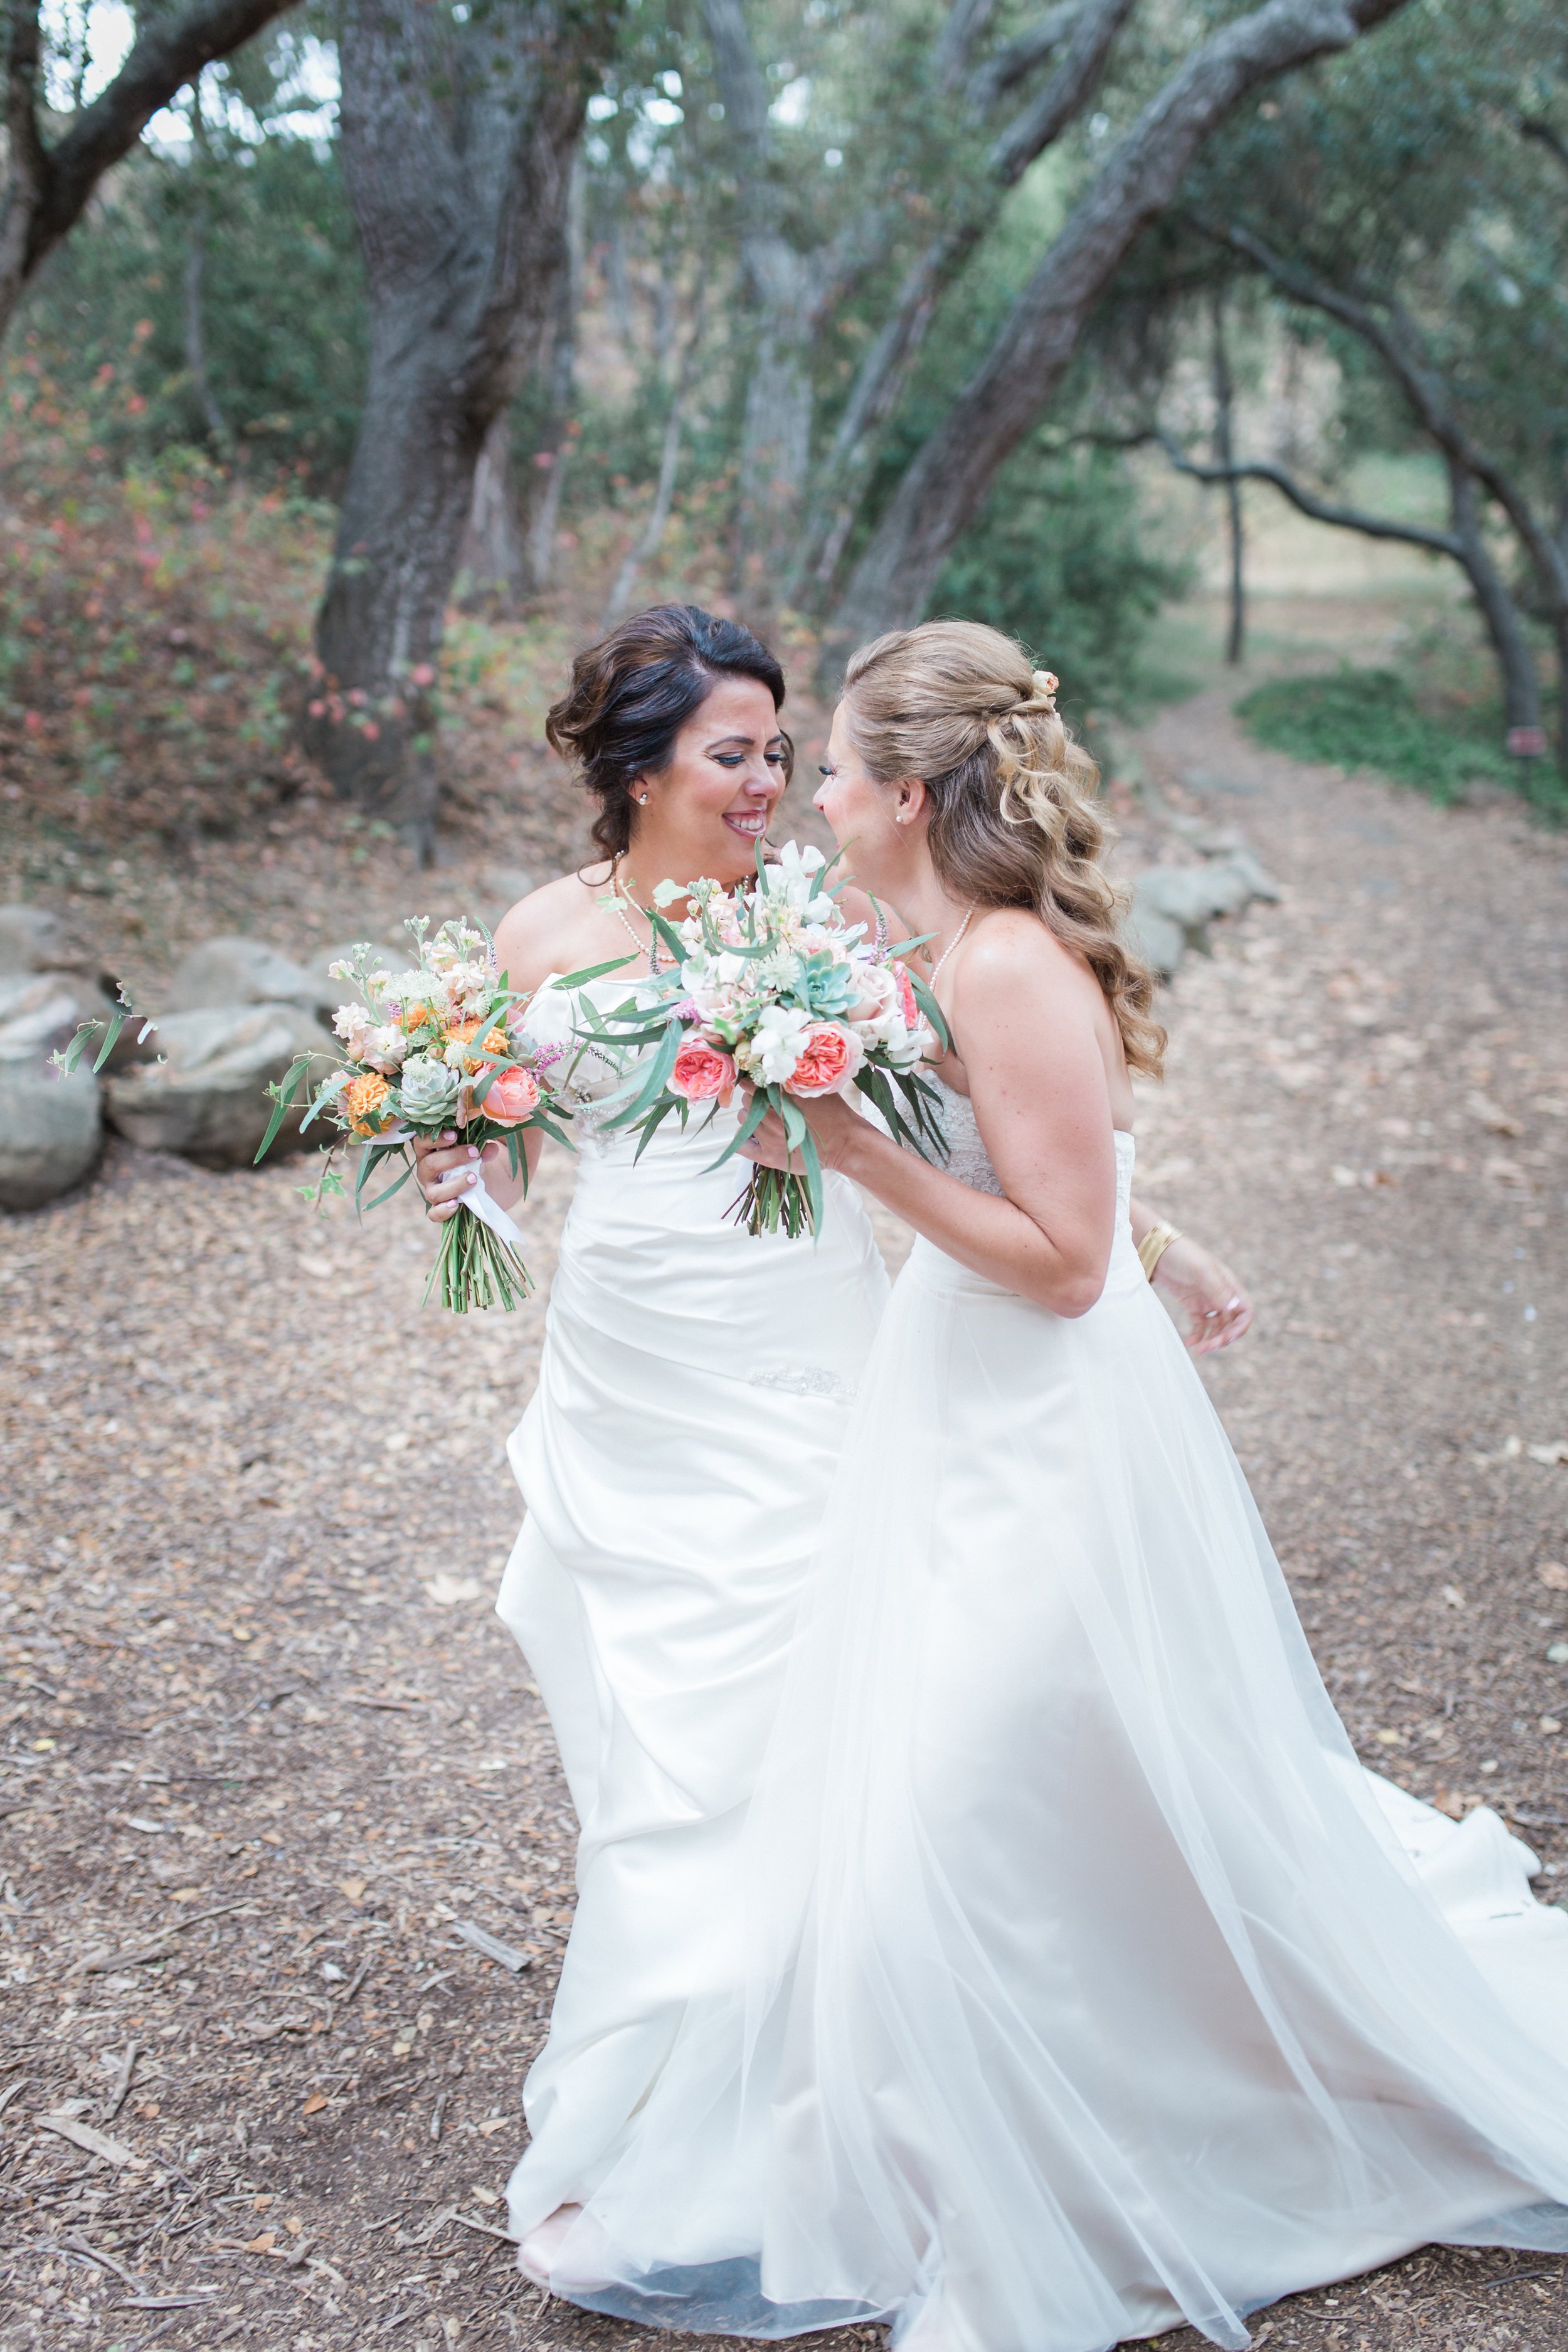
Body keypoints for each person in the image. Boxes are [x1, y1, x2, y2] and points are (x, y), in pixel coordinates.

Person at [521, 622, 1568, 2352]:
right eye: (771, 762)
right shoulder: (892, 941)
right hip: (937, 1399)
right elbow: (1017, 1151)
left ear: (908, 794)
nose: (799, 796)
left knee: (958, 1801)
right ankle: (963, 2117)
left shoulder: (998, 962)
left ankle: (1053, 2146)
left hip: (1031, 1421)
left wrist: (853, 1151)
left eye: (829, 768)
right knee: (977, 1804)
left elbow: (1055, 1251)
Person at [410, 603, 1250, 2286]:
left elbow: (971, 1115)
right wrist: (463, 1179)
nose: (768, 781)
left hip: (794, 1365)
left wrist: (1155, 1248)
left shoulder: (821, 922)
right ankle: (672, 2074)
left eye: (783, 753)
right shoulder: (532, 934)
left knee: (807, 1722)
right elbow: (517, 1150)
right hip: (621, 1373)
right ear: (636, 761)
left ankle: (806, 2102)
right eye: (734, 753)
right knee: (653, 1751)